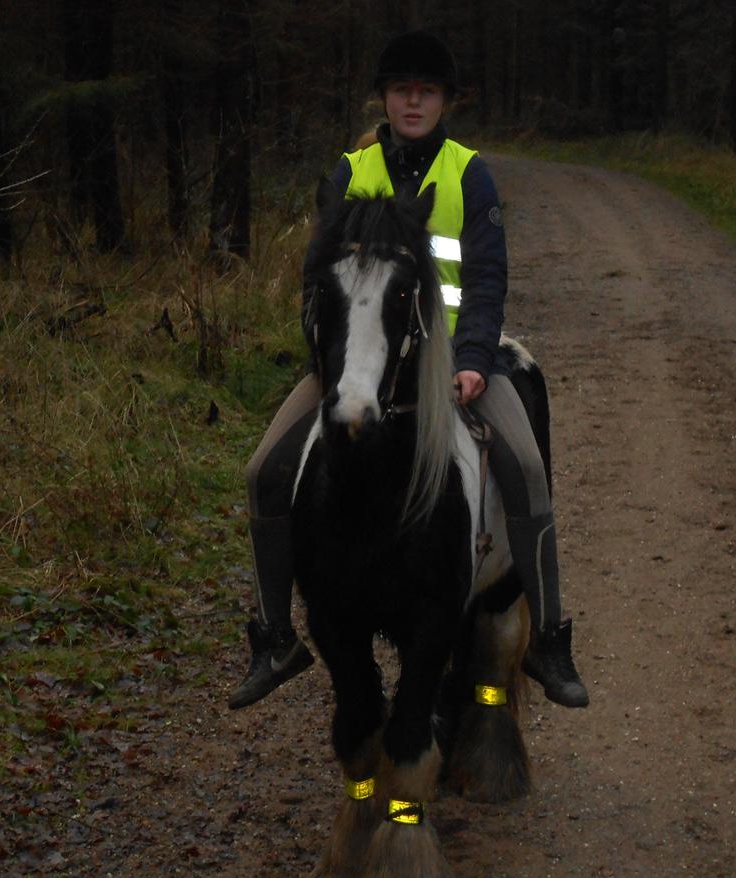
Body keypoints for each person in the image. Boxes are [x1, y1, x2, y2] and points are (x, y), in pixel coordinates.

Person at [229, 30, 588, 710]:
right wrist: (331, 359)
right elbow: (314, 287)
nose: (413, 101)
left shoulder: (468, 173)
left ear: (446, 99)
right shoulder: (348, 175)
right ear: (385, 98)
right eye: (402, 89)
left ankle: (549, 636)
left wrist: (476, 360)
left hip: (452, 360)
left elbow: (486, 278)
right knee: (263, 471)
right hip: (358, 361)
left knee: (526, 468)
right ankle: (274, 635)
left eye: (426, 90)